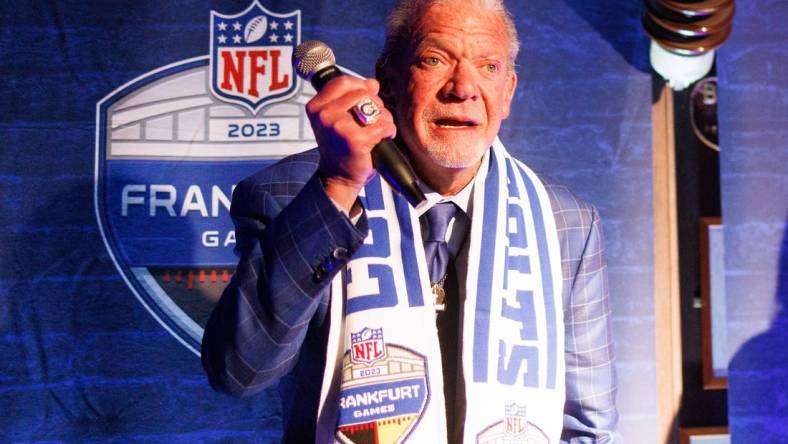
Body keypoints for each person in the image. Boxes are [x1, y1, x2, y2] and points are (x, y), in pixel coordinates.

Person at [201, 0, 619, 442]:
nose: (463, 88)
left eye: (488, 66)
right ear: (390, 80)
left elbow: (587, 426)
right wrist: (340, 184)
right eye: (435, 60)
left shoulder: (567, 223)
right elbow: (239, 371)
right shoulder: (287, 195)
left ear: (509, 92)